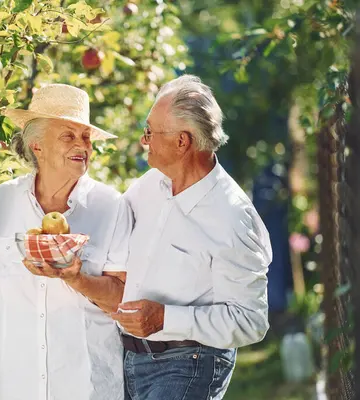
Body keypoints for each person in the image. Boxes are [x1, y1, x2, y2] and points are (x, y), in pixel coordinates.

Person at [0, 84, 131, 400]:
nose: (83, 145)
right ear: (37, 146)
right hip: (2, 383)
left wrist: (76, 278)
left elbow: (122, 300)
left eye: (87, 138)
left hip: (83, 386)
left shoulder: (112, 207)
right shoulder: (2, 200)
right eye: (69, 136)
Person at [111, 75, 272, 400]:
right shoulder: (148, 186)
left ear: (182, 142)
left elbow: (251, 320)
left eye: (150, 132)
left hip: (190, 363)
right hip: (128, 360)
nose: (145, 141)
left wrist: (166, 318)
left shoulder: (231, 216)